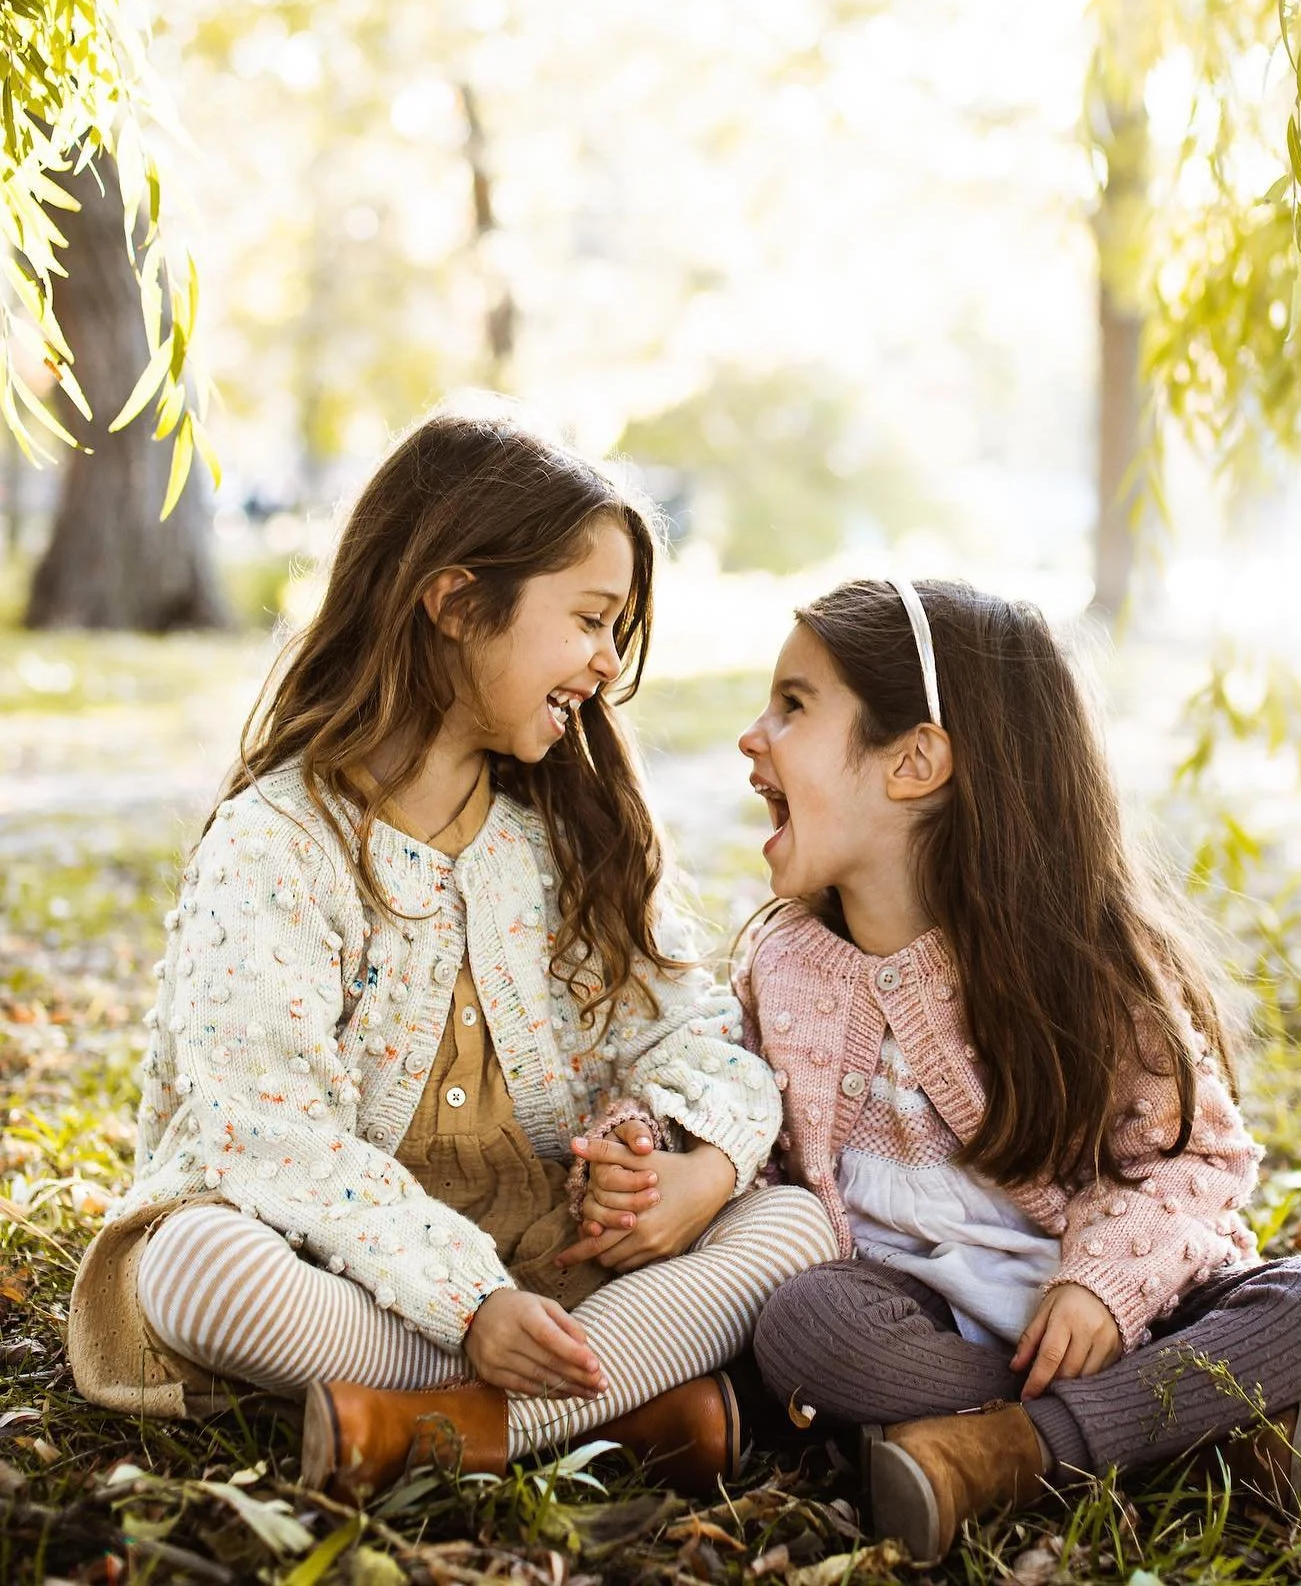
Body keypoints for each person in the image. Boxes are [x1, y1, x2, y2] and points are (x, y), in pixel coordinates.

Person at [67, 413, 836, 1501]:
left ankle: (437, 1426)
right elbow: (266, 1133)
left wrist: (687, 1165)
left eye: (618, 628)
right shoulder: (278, 845)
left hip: (548, 1262)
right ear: (457, 601)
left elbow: (702, 1040)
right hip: (345, 1270)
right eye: (590, 619)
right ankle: (617, 1406)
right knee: (196, 1270)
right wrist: (468, 1308)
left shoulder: (572, 838)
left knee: (793, 1222)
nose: (610, 663)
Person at [723, 577, 1301, 1561]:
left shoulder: (1076, 967)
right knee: (805, 1325)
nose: (753, 736)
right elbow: (748, 1136)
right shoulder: (781, 966)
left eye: (794, 705)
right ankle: (1166, 1434)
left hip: (1137, 1316)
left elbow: (1197, 1164)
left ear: (914, 760)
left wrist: (1101, 1287)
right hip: (927, 1328)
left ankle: (1014, 1450)